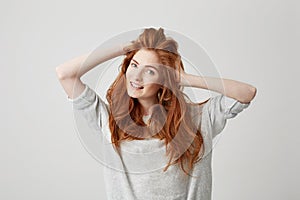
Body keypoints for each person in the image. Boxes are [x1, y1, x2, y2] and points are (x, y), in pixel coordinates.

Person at [55, 27, 257, 200]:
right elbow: (65, 74)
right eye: (134, 66)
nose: (137, 76)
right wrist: (124, 49)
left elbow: (246, 93)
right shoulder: (109, 121)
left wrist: (185, 79)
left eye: (150, 71)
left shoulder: (197, 118)